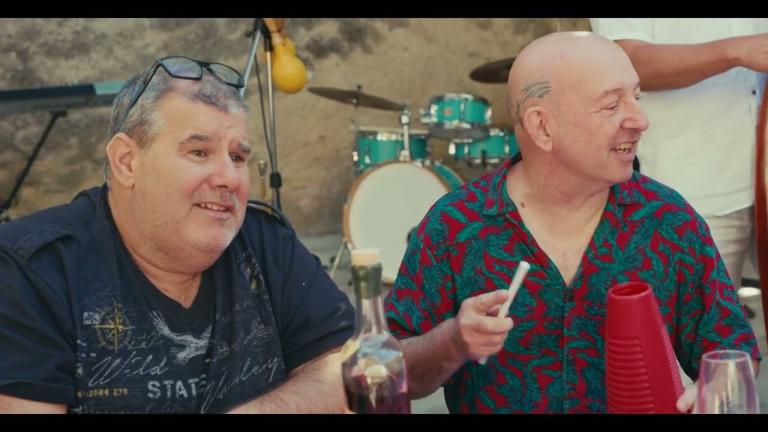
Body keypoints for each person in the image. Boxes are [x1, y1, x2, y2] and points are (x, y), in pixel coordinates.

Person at [385, 32, 760, 413]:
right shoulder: (456, 226)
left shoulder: (666, 220)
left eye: (637, 97)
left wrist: (715, 388)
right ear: (542, 127)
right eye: (611, 105)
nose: (641, 120)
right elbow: (387, 370)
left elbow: (732, 346)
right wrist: (451, 341)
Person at [0, 56, 354, 413]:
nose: (229, 178)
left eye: (237, 157)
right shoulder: (32, 269)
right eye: (199, 152)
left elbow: (349, 364)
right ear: (126, 162)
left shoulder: (265, 242)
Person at [589, 18, 768, 299]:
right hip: (696, 187)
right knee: (701, 320)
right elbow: (625, 64)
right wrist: (735, 51)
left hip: (762, 170)